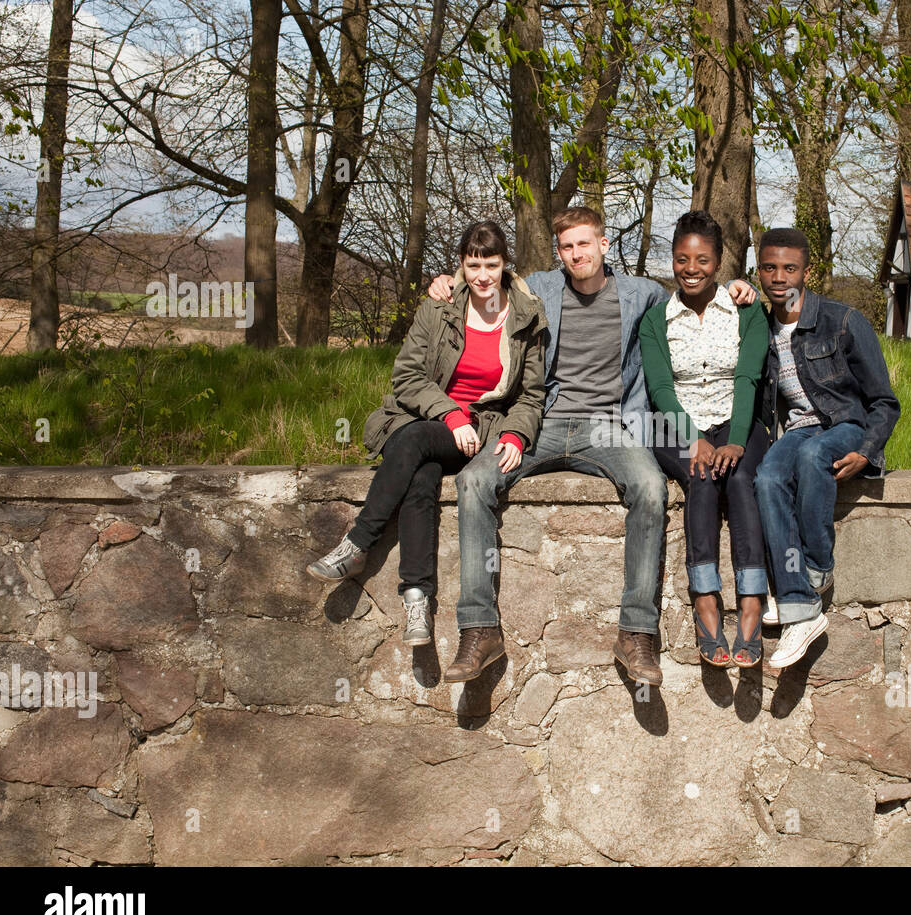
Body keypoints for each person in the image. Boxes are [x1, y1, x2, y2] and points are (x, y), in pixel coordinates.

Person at [425, 206, 758, 688]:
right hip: (542, 422)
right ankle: (479, 630)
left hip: (610, 426)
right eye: (566, 246)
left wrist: (739, 288)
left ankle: (636, 634)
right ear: (558, 252)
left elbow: (696, 288)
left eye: (584, 243)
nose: (576, 253)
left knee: (648, 484)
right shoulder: (539, 288)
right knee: (475, 479)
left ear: (604, 245)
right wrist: (446, 281)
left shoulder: (642, 294)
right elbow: (485, 277)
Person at [307, 221, 547, 684]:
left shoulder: (527, 317)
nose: (482, 275)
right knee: (419, 474)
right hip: (431, 421)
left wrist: (516, 435)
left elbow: (531, 396)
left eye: (491, 265)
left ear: (505, 266)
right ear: (461, 264)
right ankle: (417, 600)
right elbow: (407, 377)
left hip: (484, 429)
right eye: (472, 264)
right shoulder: (437, 308)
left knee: (413, 442)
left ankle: (358, 544)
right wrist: (449, 415)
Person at [752, 227, 901, 669]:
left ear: (808, 271)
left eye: (790, 268)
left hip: (845, 426)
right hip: (799, 429)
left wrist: (868, 451)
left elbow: (884, 401)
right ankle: (801, 606)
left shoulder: (844, 320)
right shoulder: (758, 325)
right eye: (769, 267)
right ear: (758, 270)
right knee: (767, 477)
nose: (779, 277)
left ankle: (815, 569)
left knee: (814, 455)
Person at [639, 211, 770, 668]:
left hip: (738, 422)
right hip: (677, 426)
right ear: (672, 260)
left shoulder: (746, 311)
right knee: (702, 477)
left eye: (702, 260)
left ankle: (752, 602)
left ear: (718, 263)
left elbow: (748, 376)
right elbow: (659, 390)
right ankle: (706, 600)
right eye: (681, 259)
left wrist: (734, 440)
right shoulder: (657, 321)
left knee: (739, 480)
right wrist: (694, 439)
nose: (691, 269)